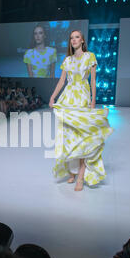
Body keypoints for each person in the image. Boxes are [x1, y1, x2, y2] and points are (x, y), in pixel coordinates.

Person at [49, 30, 114, 192]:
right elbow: (62, 81)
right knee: (68, 135)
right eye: (71, 38)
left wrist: (93, 101)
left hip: (82, 98)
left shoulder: (89, 56)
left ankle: (81, 176)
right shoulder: (67, 60)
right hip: (67, 99)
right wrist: (53, 97)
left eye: (77, 37)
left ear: (82, 40)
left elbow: (93, 81)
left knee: (83, 137)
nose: (74, 40)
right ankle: (72, 171)